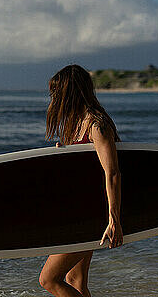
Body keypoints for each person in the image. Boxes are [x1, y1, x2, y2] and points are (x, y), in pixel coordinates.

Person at [39, 64, 123, 297]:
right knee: (74, 280)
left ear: (70, 92)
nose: (54, 98)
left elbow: (112, 172)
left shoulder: (97, 124)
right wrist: (66, 153)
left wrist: (114, 219)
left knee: (49, 279)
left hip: (93, 215)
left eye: (57, 93)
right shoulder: (76, 125)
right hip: (81, 211)